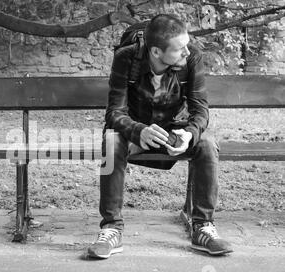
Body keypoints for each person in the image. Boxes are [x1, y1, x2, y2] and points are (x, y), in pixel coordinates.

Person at [87, 14, 233, 259]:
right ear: (156, 51)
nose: (187, 52)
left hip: (173, 132)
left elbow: (200, 111)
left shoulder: (192, 57)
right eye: (179, 48)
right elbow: (115, 112)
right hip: (134, 133)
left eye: (186, 45)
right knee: (112, 141)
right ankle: (111, 229)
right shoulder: (127, 57)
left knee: (207, 142)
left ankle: (203, 227)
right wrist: (138, 130)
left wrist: (189, 134)